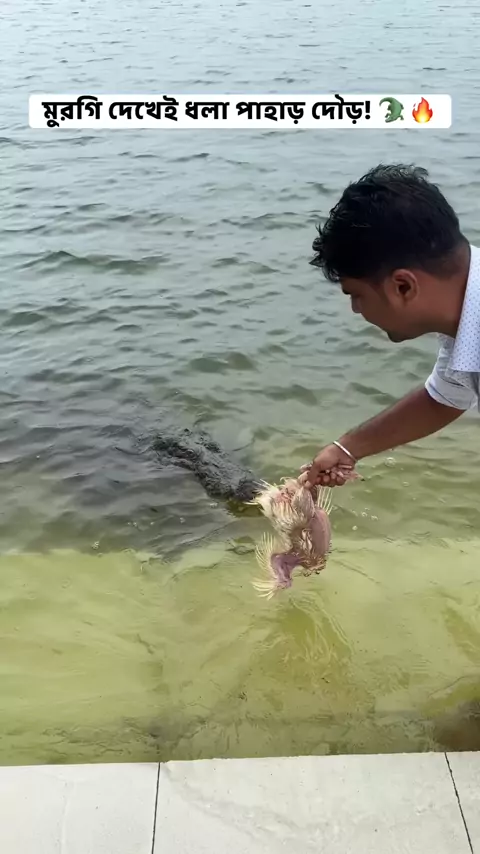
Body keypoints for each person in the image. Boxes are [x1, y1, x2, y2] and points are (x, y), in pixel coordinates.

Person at [300, 163, 480, 489]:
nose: (355, 309)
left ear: (403, 287)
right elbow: (445, 396)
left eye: (356, 295)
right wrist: (347, 448)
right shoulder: (465, 313)